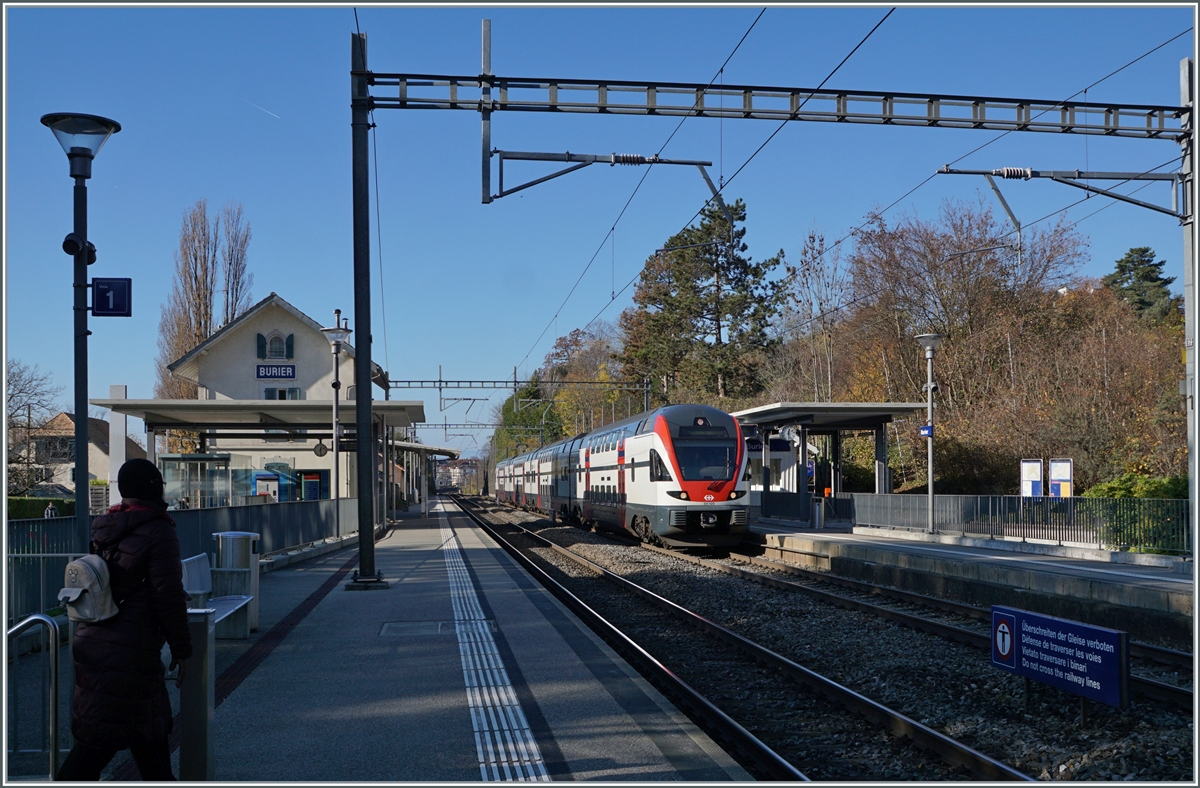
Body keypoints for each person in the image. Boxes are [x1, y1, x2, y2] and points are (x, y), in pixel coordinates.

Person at [56, 459, 192, 781]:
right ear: (155, 488)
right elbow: (167, 595)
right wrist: (182, 650)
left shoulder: (106, 526)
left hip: (95, 641)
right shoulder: (158, 530)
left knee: (145, 737)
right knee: (98, 744)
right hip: (130, 653)